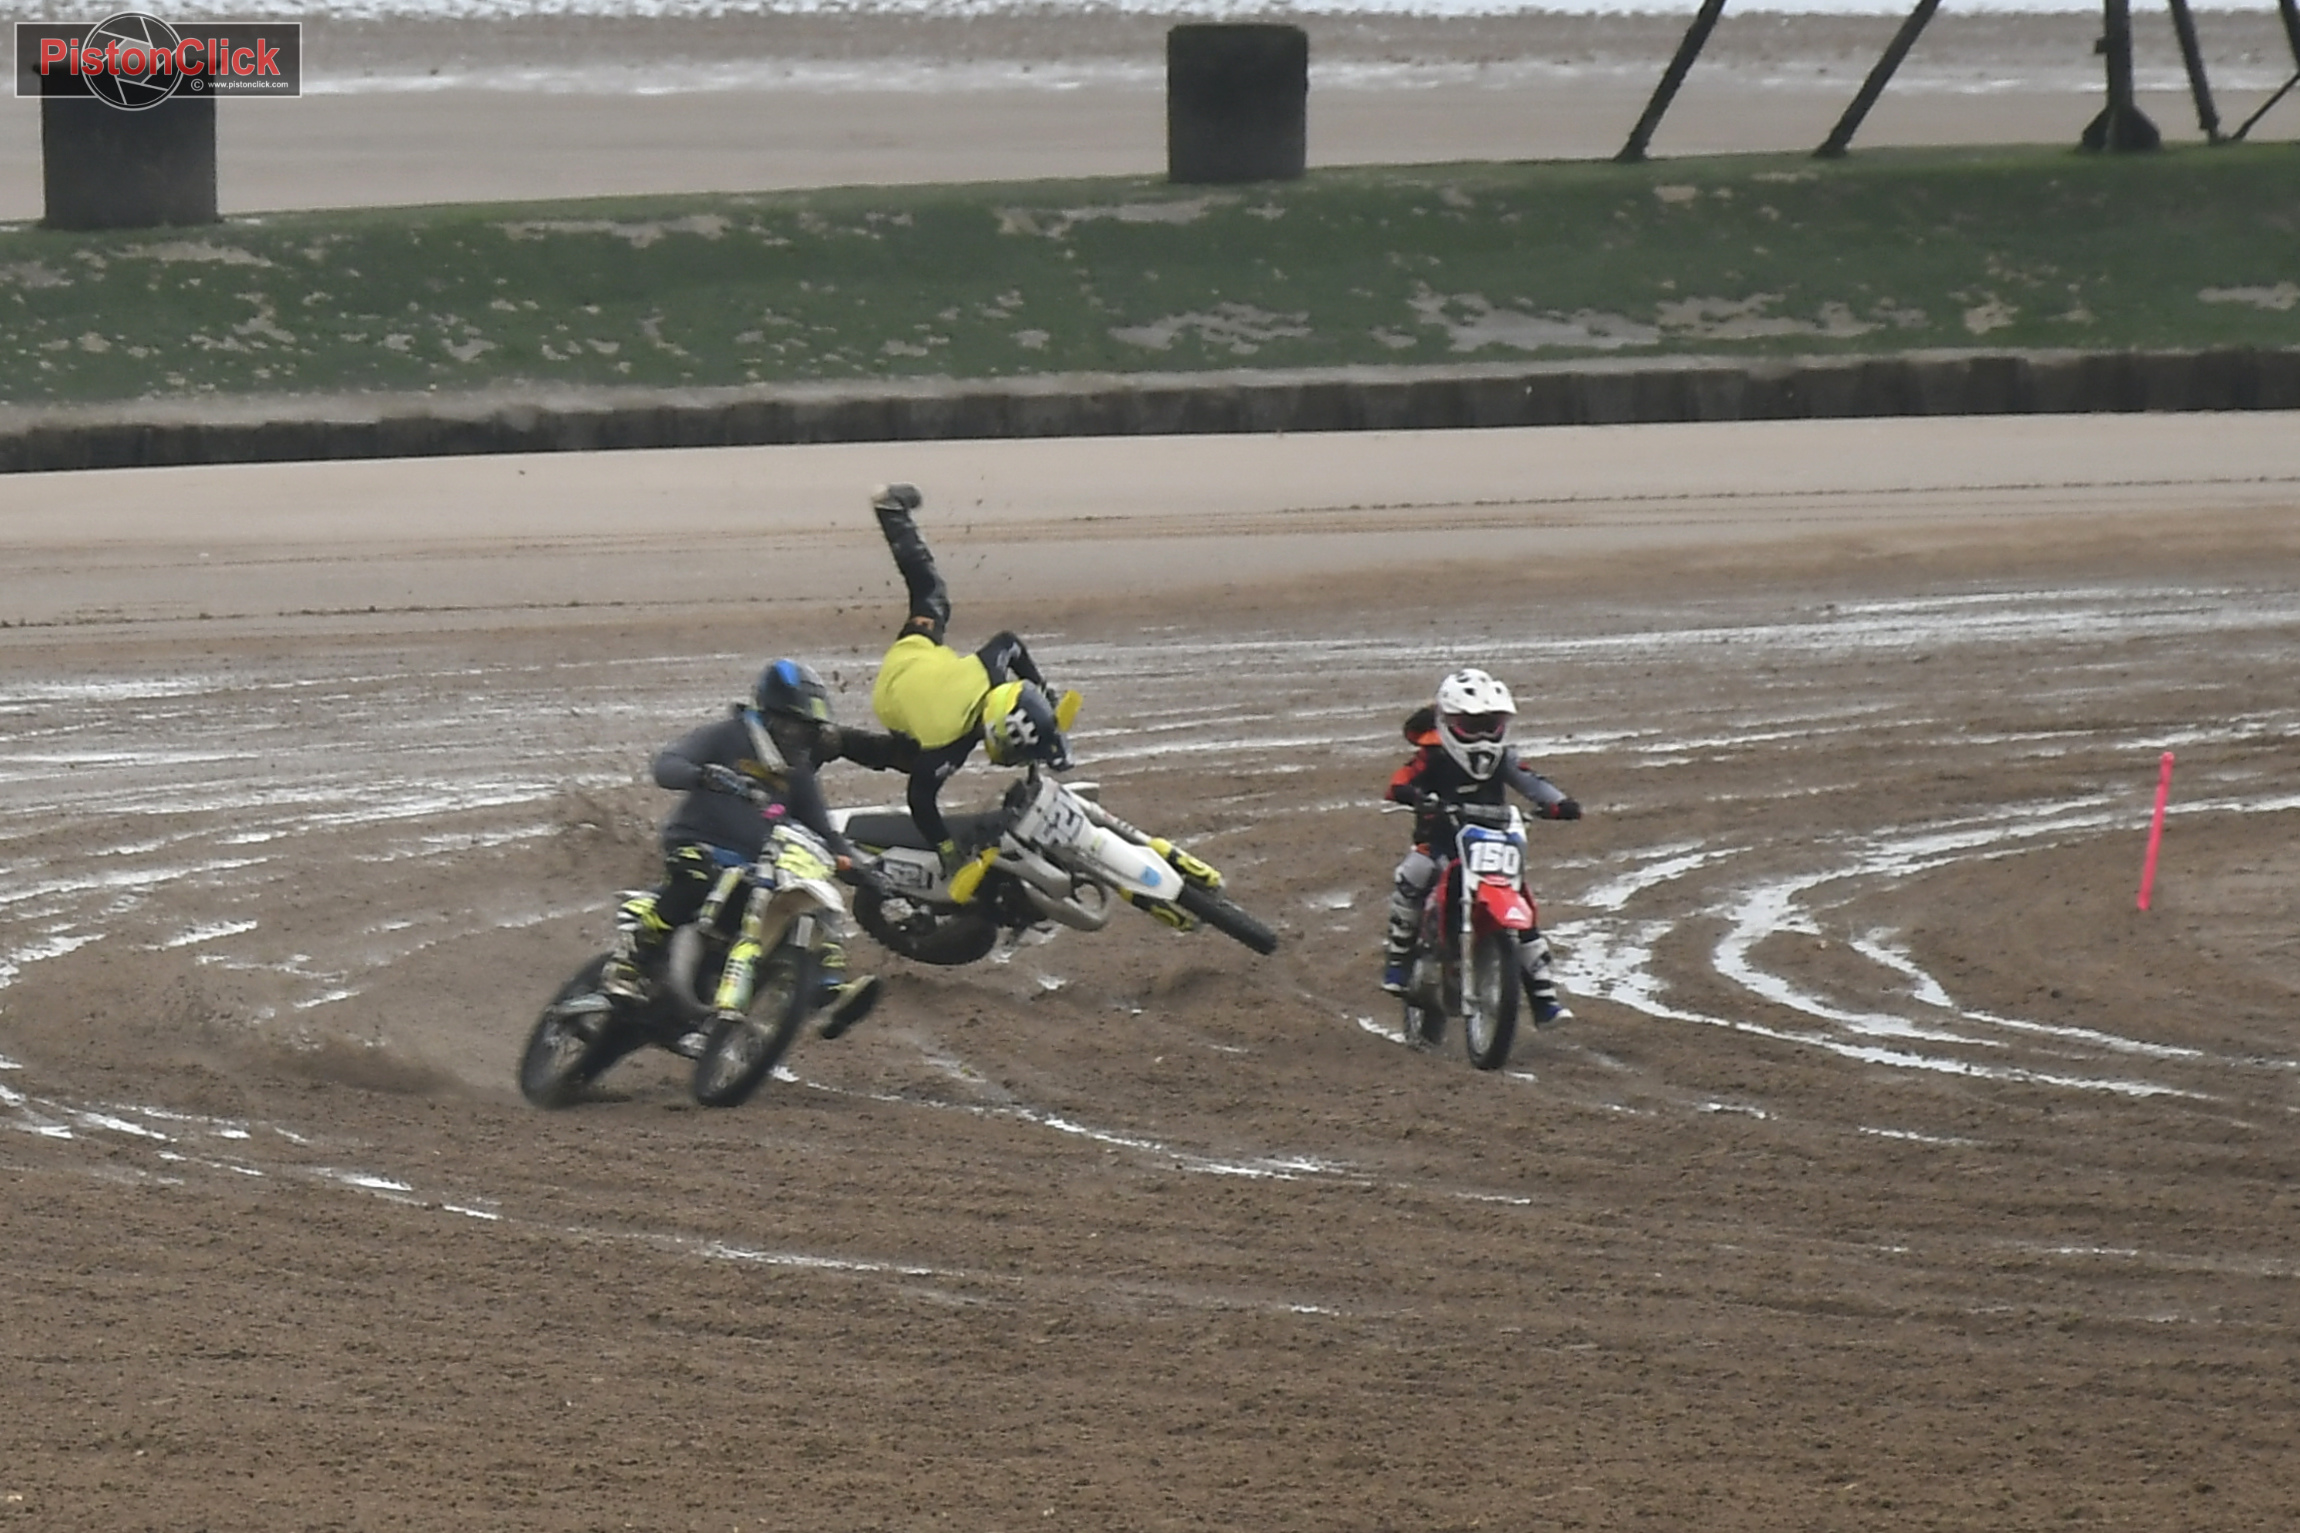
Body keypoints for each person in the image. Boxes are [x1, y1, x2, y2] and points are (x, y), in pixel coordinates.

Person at [601, 658, 890, 1047]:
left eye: (805, 730)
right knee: (694, 875)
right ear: (767, 714)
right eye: (790, 725)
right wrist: (701, 775)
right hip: (698, 842)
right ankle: (631, 963)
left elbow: (823, 830)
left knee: (809, 904)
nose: (796, 737)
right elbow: (666, 765)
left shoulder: (798, 770)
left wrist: (863, 869)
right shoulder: (727, 737)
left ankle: (827, 992)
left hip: (758, 866)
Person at [864, 482, 1074, 872]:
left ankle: (891, 512)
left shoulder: (989, 671)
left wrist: (1041, 689)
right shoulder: (949, 749)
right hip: (891, 698)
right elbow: (919, 800)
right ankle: (852, 746)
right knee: (909, 759)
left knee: (931, 591)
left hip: (915, 650)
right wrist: (947, 850)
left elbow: (1009, 643)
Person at [1381, 667, 1583, 1026]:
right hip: (1441, 841)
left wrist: (1558, 803)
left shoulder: (1503, 758)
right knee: (1413, 875)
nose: (1483, 734)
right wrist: (1413, 795)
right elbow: (1400, 780)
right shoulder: (1434, 754)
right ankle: (1398, 961)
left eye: (1492, 724)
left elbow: (1531, 781)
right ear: (1449, 721)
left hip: (1493, 841)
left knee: (1520, 900)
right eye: (1473, 725)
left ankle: (1543, 998)